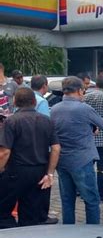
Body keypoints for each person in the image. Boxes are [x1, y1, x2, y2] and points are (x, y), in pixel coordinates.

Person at [0, 88, 60, 229]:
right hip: (39, 173)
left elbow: (4, 152)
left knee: (3, 213)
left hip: (15, 173)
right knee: (33, 216)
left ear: (14, 101)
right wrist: (50, 173)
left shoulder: (11, 122)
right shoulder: (47, 121)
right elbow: (56, 148)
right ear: (34, 102)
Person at [51, 77, 103, 224]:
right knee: (91, 200)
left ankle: (69, 232)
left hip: (62, 161)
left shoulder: (54, 110)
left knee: (67, 201)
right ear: (80, 90)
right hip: (82, 159)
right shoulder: (84, 108)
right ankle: (92, 233)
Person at [30, 75, 58, 225]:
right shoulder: (41, 102)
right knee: (44, 181)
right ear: (45, 86)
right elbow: (45, 126)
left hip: (26, 147)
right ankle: (42, 215)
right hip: (41, 148)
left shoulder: (25, 99)